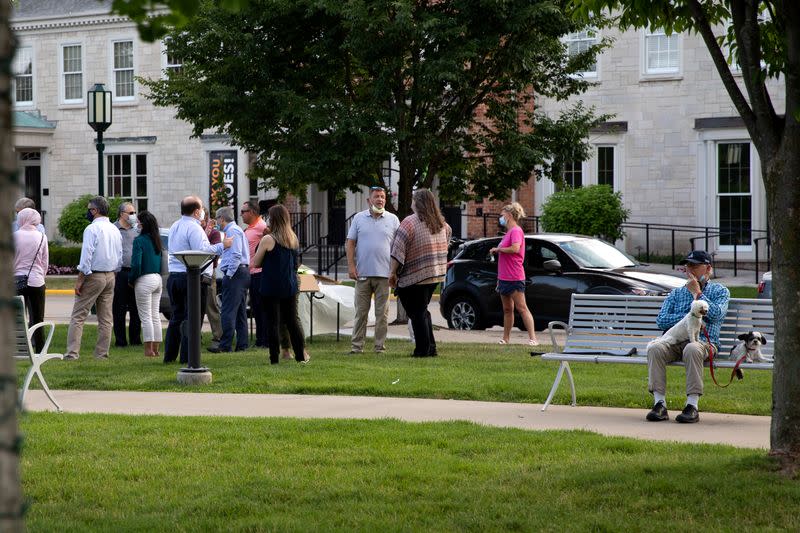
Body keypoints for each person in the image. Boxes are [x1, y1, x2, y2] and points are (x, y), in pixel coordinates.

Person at [646, 250, 729, 424]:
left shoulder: (720, 291)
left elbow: (715, 315)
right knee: (655, 348)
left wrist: (697, 294)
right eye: (688, 265)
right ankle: (659, 404)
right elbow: (661, 321)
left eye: (694, 265)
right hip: (674, 341)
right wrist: (689, 317)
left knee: (692, 348)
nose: (689, 269)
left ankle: (692, 406)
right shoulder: (676, 293)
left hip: (704, 343)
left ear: (708, 269)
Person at [389, 189, 451, 357]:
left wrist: (392, 272)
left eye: (413, 199)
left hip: (416, 275)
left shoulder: (410, 222)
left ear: (417, 202)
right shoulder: (441, 223)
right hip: (436, 274)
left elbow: (398, 249)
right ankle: (431, 348)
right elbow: (448, 236)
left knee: (416, 313)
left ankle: (422, 350)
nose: (411, 202)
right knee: (422, 311)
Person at [164, 196, 226, 364]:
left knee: (176, 317)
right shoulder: (194, 227)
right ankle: (187, 357)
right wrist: (223, 245)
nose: (203, 213)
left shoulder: (175, 225)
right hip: (190, 277)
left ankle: (169, 356)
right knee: (192, 318)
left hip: (174, 277)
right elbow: (203, 252)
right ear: (197, 211)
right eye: (202, 210)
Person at [65, 196, 123, 360]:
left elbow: (86, 257)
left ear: (95, 210)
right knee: (106, 318)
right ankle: (102, 354)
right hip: (110, 275)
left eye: (89, 209)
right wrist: (113, 273)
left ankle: (72, 353)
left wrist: (80, 280)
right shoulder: (114, 229)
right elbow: (119, 256)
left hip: (94, 275)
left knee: (78, 316)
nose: (88, 212)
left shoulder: (91, 229)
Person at [346, 185, 400, 354]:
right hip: (362, 273)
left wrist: (395, 271)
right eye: (376, 196)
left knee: (382, 315)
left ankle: (379, 348)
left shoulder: (393, 220)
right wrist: (351, 266)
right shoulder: (359, 218)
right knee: (361, 313)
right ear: (369, 200)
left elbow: (399, 247)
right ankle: (356, 348)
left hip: (385, 274)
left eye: (383, 197)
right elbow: (351, 243)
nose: (380, 199)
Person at [251, 204, 307, 364]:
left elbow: (255, 263)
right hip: (289, 285)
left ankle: (274, 358)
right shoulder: (293, 238)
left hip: (271, 286)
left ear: (273, 219)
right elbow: (295, 264)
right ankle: (300, 356)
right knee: (292, 321)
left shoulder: (268, 239)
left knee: (272, 322)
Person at [489, 202, 538, 346]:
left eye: (502, 215)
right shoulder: (508, 233)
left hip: (514, 276)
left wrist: (498, 250)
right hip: (503, 277)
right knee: (507, 309)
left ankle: (533, 338)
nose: (500, 218)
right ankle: (506, 339)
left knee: (522, 308)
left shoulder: (516, 231)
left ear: (509, 215)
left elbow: (515, 248)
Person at [209, 206, 251, 353]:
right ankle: (242, 345)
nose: (216, 222)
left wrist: (229, 274)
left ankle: (225, 345)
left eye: (217, 219)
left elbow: (236, 255)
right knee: (240, 312)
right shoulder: (236, 230)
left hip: (236, 274)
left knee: (227, 310)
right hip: (242, 272)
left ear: (222, 218)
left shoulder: (232, 231)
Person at [13, 207, 48, 352]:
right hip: (37, 281)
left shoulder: (14, 236)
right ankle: (39, 348)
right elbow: (44, 262)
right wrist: (41, 276)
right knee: (37, 317)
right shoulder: (42, 236)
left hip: (16, 281)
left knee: (17, 317)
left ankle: (20, 347)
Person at [129, 211, 163, 358]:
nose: (136, 224)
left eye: (138, 221)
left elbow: (136, 264)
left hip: (144, 279)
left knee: (145, 317)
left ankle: (148, 350)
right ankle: (155, 349)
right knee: (155, 315)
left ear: (142, 224)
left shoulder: (139, 240)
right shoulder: (156, 239)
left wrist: (131, 279)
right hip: (157, 279)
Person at [112, 202, 142, 347]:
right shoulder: (113, 229)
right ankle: (120, 340)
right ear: (121, 214)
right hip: (120, 273)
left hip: (135, 272)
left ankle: (135, 339)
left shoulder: (137, 230)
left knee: (136, 308)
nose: (133, 215)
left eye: (134, 212)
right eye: (130, 213)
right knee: (119, 308)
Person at [241, 201, 268, 347]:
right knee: (256, 308)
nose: (241, 214)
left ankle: (264, 340)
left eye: (243, 211)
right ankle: (260, 339)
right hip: (251, 272)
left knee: (261, 307)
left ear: (251, 212)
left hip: (260, 273)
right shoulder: (249, 228)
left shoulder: (262, 227)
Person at [201, 209, 223, 350]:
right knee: (195, 307)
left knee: (211, 305)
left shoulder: (213, 233)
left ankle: (218, 336)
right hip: (194, 272)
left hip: (208, 273)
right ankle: (195, 336)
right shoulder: (195, 230)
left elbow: (215, 252)